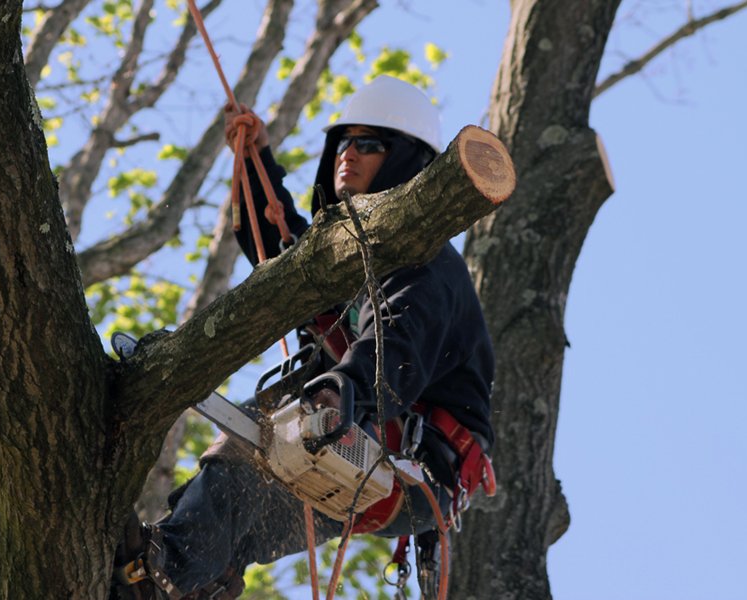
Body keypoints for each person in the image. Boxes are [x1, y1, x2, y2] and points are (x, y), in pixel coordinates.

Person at [111, 76, 495, 600]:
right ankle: (194, 581)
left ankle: (163, 577)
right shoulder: (347, 253)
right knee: (236, 507)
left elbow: (395, 346)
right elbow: (282, 250)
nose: (348, 154)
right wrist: (256, 162)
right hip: (366, 456)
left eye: (369, 144)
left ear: (406, 159)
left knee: (246, 453)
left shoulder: (426, 264)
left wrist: (342, 390)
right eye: (344, 142)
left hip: (413, 460)